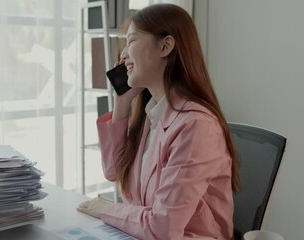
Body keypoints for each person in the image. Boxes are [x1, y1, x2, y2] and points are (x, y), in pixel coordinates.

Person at [77, 3, 240, 240]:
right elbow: (114, 171)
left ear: (165, 46)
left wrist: (107, 209)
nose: (123, 55)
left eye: (131, 41)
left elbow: (163, 227)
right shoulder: (152, 115)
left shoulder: (195, 126)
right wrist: (121, 104)